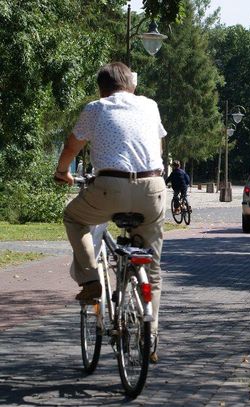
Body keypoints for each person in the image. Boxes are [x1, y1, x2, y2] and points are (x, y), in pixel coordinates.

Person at [53, 62, 167, 363]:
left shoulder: (96, 108)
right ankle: (149, 338)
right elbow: (156, 146)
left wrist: (62, 172)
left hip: (109, 187)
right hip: (153, 188)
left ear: (101, 88)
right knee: (152, 270)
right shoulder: (150, 105)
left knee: (74, 217)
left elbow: (72, 146)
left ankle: (91, 280)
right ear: (130, 84)